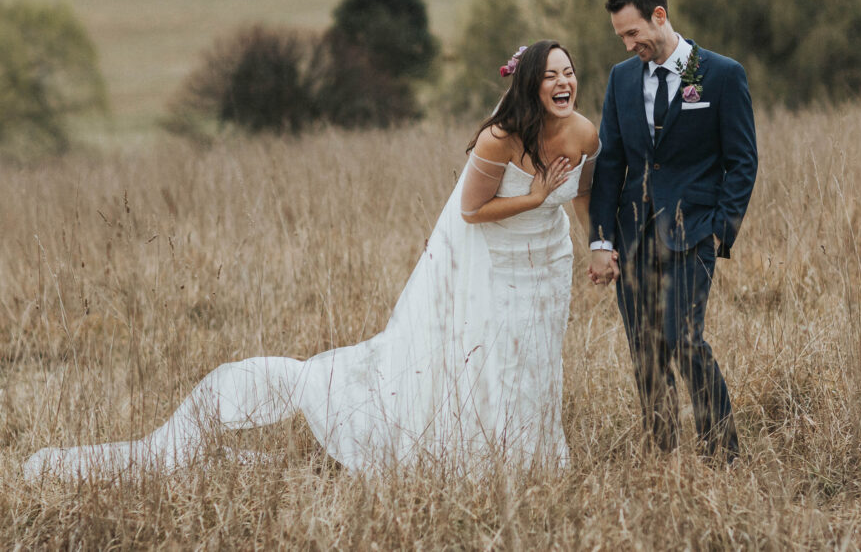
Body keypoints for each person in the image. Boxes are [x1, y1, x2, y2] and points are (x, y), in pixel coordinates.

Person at [24, 40, 600, 480]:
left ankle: (533, 452)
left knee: (535, 352)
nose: (563, 82)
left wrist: (596, 243)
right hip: (494, 258)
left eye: (569, 72)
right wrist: (531, 195)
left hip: (547, 261)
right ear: (528, 84)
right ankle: (471, 447)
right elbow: (473, 212)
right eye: (550, 75)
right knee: (485, 350)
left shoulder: (584, 132)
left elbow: (580, 193)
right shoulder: (498, 138)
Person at [588, 0, 757, 463]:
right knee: (646, 348)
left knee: (684, 340)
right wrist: (601, 238)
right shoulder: (622, 78)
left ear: (660, 16)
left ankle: (721, 455)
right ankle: (663, 455)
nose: (628, 44)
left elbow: (742, 161)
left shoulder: (721, 74)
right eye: (620, 36)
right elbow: (609, 164)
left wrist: (721, 228)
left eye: (633, 32)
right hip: (631, 234)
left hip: (695, 232)